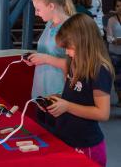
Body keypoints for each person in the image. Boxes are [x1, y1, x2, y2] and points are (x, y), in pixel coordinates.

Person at [45, 13, 114, 167]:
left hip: (86, 145)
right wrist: (58, 99)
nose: (66, 52)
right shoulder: (74, 63)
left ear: (84, 42)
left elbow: (103, 113)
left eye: (69, 48)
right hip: (66, 137)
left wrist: (67, 106)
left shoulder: (99, 70)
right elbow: (76, 96)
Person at [24, 0, 75, 132]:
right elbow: (48, 53)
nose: (36, 13)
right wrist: (35, 58)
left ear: (51, 6)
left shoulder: (70, 27)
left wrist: (45, 59)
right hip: (42, 92)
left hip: (59, 94)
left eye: (38, 9)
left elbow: (74, 65)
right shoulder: (50, 25)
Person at [106, 0, 121, 107]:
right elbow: (108, 37)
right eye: (117, 6)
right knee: (117, 79)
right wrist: (115, 40)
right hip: (115, 53)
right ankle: (120, 98)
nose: (120, 8)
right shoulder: (111, 20)